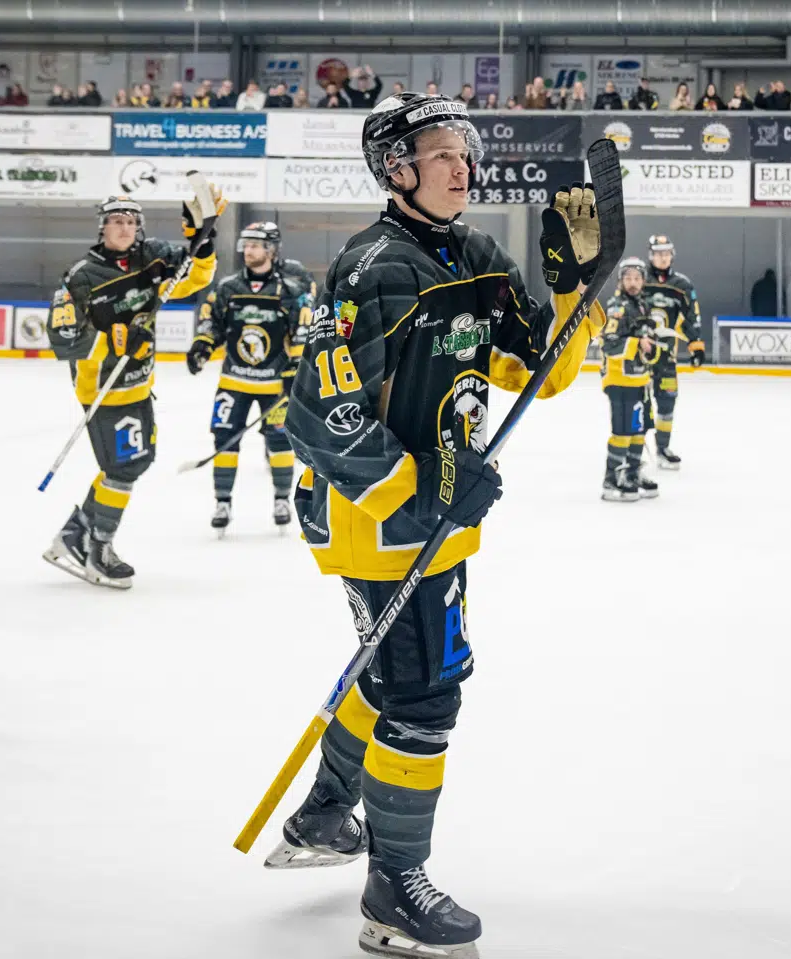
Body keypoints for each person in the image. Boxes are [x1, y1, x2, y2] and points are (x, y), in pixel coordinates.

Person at [272, 92, 606, 959]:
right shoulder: (369, 267)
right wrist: (420, 497)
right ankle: (394, 891)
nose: (463, 163)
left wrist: (575, 287)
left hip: (442, 518)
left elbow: (542, 369)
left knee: (392, 674)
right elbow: (321, 414)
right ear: (397, 168)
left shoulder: (479, 254)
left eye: (465, 148)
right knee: (424, 692)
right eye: (440, 150)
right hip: (379, 523)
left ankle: (323, 814)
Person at [41, 189, 224, 588]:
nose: (123, 228)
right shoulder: (80, 277)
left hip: (140, 383)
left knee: (136, 461)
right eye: (115, 221)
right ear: (102, 228)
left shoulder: (151, 256)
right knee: (122, 468)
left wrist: (203, 238)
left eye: (129, 222)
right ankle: (98, 551)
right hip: (104, 389)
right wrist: (117, 340)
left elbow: (196, 275)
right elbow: (64, 338)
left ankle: (75, 535)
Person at [187, 222, 301, 534]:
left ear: (272, 250)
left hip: (274, 384)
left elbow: (302, 331)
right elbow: (212, 322)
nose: (248, 250)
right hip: (233, 382)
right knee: (224, 439)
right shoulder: (227, 287)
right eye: (246, 244)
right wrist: (202, 346)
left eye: (255, 244)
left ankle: (281, 499)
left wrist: (294, 369)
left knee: (280, 440)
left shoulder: (289, 292)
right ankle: (222, 502)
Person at [640, 234, 705, 469]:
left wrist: (695, 345)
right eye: (658, 253)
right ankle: (634, 451)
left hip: (667, 357)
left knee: (667, 401)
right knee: (639, 403)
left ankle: (663, 448)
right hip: (639, 356)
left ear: (672, 256)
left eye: (666, 253)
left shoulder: (682, 286)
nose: (662, 257)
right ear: (651, 255)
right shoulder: (638, 279)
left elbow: (691, 317)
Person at [600, 257, 659, 502]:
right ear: (621, 281)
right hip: (619, 380)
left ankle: (632, 473)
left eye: (637, 278)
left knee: (638, 432)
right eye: (628, 278)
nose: (633, 283)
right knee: (622, 433)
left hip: (639, 381)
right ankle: (611, 480)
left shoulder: (644, 306)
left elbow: (648, 343)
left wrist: (652, 349)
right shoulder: (617, 307)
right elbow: (610, 345)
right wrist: (638, 344)